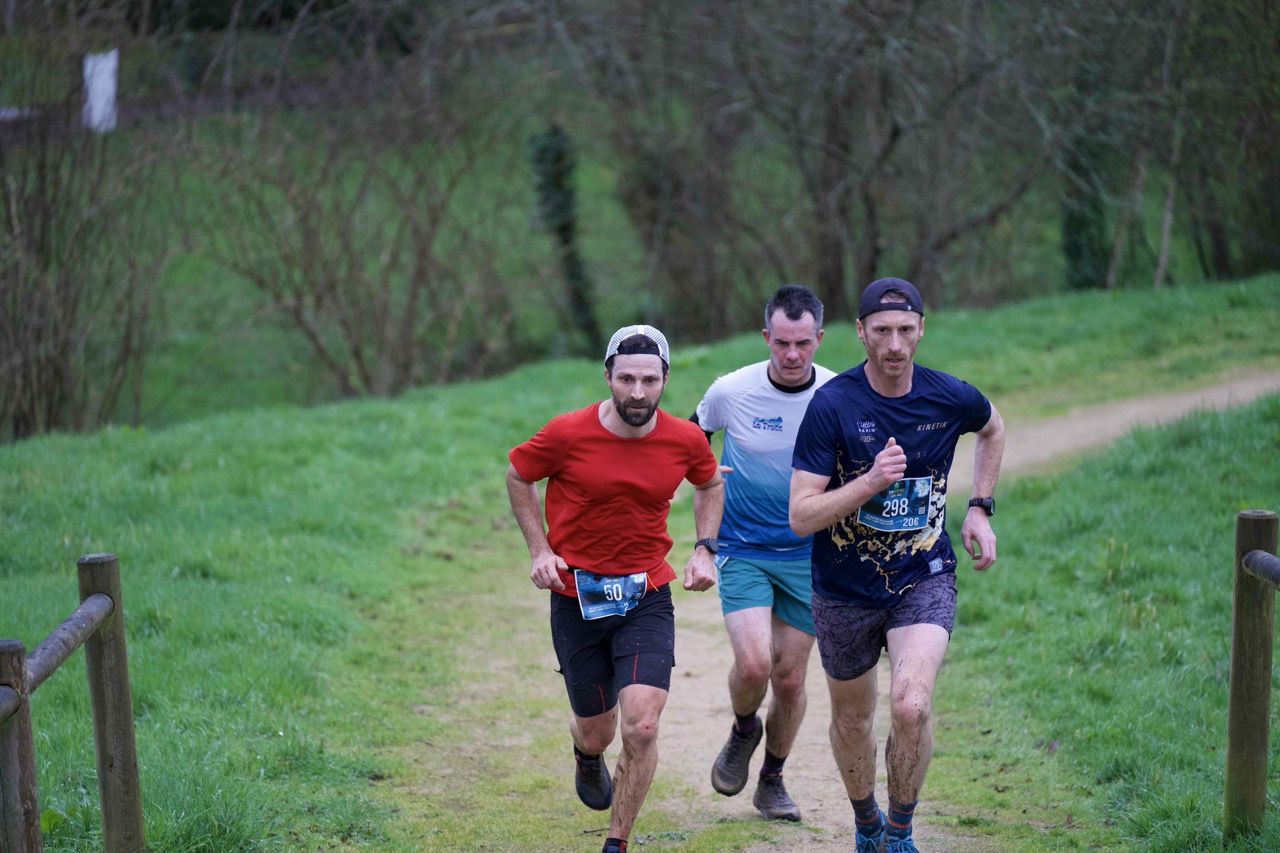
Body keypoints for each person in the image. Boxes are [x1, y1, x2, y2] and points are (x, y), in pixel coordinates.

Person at [788, 278, 1005, 853]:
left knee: (911, 705)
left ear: (921, 329)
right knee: (853, 722)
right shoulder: (831, 405)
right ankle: (867, 823)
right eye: (881, 331)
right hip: (843, 588)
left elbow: (993, 427)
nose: (894, 344)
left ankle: (901, 831)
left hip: (923, 577)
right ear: (860, 332)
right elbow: (801, 516)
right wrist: (869, 483)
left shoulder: (948, 396)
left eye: (905, 330)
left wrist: (980, 508)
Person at [506, 324, 725, 853]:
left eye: (649, 380)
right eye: (626, 378)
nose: (638, 392)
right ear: (607, 376)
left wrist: (704, 548)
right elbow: (518, 475)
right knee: (597, 731)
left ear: (665, 380)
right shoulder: (567, 433)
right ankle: (586, 755)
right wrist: (540, 551)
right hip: (576, 598)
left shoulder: (684, 439)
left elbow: (710, 483)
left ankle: (617, 842)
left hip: (646, 595)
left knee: (642, 727)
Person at [690, 284, 835, 822]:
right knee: (754, 665)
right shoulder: (732, 390)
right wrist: (702, 472)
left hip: (809, 554)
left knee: (790, 679)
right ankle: (743, 729)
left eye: (803, 343)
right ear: (765, 337)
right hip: (743, 545)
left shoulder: (837, 395)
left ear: (819, 338)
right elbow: (688, 437)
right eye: (781, 343)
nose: (792, 355)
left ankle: (772, 780)